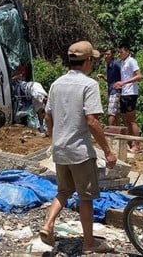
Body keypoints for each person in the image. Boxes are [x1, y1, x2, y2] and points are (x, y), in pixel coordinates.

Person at [39, 41, 117, 254]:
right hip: (80, 151)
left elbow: (48, 116)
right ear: (88, 61)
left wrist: (54, 138)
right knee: (86, 197)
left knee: (63, 191)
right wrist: (108, 151)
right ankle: (88, 243)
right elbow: (92, 121)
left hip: (60, 149)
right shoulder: (89, 85)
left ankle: (48, 224)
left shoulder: (56, 84)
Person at [113, 44, 142, 152]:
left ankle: (137, 144)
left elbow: (139, 76)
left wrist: (124, 82)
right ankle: (129, 142)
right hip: (124, 93)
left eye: (121, 52)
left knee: (132, 120)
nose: (119, 54)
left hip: (131, 93)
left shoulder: (132, 61)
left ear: (127, 52)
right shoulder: (122, 63)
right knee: (125, 120)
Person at [97, 48, 122, 126]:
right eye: (105, 54)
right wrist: (103, 77)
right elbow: (110, 81)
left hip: (116, 91)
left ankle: (109, 132)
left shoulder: (116, 64)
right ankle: (116, 131)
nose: (106, 56)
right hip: (111, 91)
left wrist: (121, 84)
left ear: (112, 55)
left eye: (108, 54)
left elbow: (124, 75)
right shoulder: (108, 65)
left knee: (111, 112)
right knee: (115, 112)